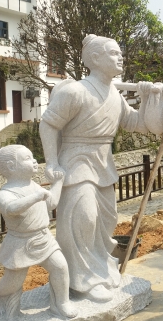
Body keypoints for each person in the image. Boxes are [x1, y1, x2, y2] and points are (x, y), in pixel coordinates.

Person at [39, 35, 152, 303]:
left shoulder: (115, 94)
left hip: (103, 162)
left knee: (106, 219)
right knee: (84, 218)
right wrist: (51, 161)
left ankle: (100, 269)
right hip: (76, 161)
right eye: (114, 53)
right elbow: (49, 124)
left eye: (120, 53)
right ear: (95, 58)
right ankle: (83, 280)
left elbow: (136, 123)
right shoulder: (75, 91)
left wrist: (148, 98)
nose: (120, 57)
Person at [0, 145, 76, 320]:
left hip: (43, 238)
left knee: (60, 267)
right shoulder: (5, 194)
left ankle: (62, 302)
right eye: (28, 158)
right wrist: (35, 197)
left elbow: (50, 203)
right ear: (12, 166)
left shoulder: (34, 185)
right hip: (20, 243)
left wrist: (58, 183)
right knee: (13, 283)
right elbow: (11, 208)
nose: (35, 161)